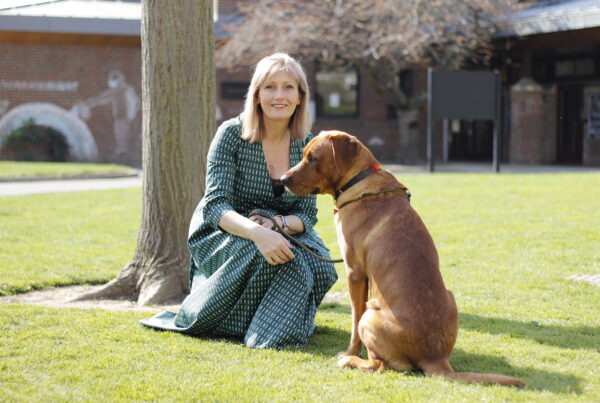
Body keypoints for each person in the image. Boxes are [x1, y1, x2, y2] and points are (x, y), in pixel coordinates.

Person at [141, 53, 338, 349]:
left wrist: (277, 225)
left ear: (300, 97)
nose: (279, 95)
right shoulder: (231, 135)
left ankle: (266, 320)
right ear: (256, 95)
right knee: (285, 261)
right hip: (223, 229)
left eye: (288, 87)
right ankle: (262, 333)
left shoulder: (305, 145)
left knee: (323, 268)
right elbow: (216, 205)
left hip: (280, 227)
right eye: (269, 87)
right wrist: (259, 234)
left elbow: (306, 215)